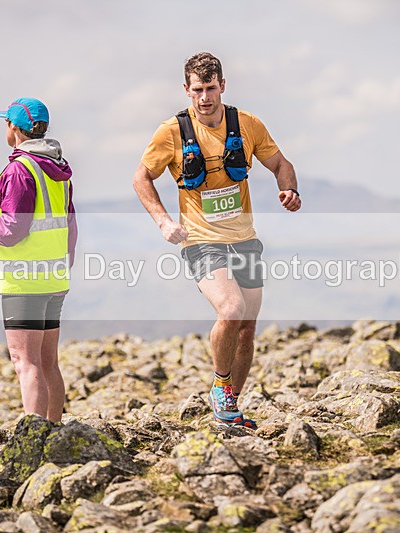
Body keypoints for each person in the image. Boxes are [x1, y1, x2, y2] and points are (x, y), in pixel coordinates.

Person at [133, 52, 301, 428]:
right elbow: (141, 178)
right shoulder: (171, 132)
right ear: (186, 90)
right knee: (231, 309)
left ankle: (230, 408)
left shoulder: (247, 124)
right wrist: (163, 222)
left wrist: (289, 190)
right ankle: (220, 386)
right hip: (200, 240)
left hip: (244, 240)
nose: (205, 97)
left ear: (222, 85)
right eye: (197, 90)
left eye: (211, 88)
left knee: (246, 329)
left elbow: (281, 164)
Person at [0, 98, 76, 424]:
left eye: (5, 123)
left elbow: (13, 229)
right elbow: (70, 225)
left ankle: (35, 438)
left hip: (24, 280)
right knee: (48, 362)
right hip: (54, 276)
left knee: (26, 362)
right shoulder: (60, 171)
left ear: (13, 128)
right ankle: (53, 430)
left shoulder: (20, 171)